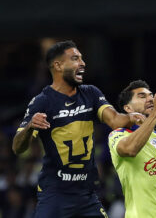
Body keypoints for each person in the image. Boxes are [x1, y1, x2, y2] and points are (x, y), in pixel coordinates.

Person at [12, 41, 144, 218]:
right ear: (58, 65)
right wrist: (29, 127)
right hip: (55, 195)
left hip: (87, 195)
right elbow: (17, 147)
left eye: (82, 58)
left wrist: (130, 117)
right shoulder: (42, 101)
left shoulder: (91, 93)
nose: (83, 63)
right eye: (75, 59)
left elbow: (114, 120)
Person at [108, 80, 156, 218]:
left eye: (151, 95)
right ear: (128, 108)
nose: (150, 99)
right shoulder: (119, 134)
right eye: (142, 96)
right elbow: (130, 149)